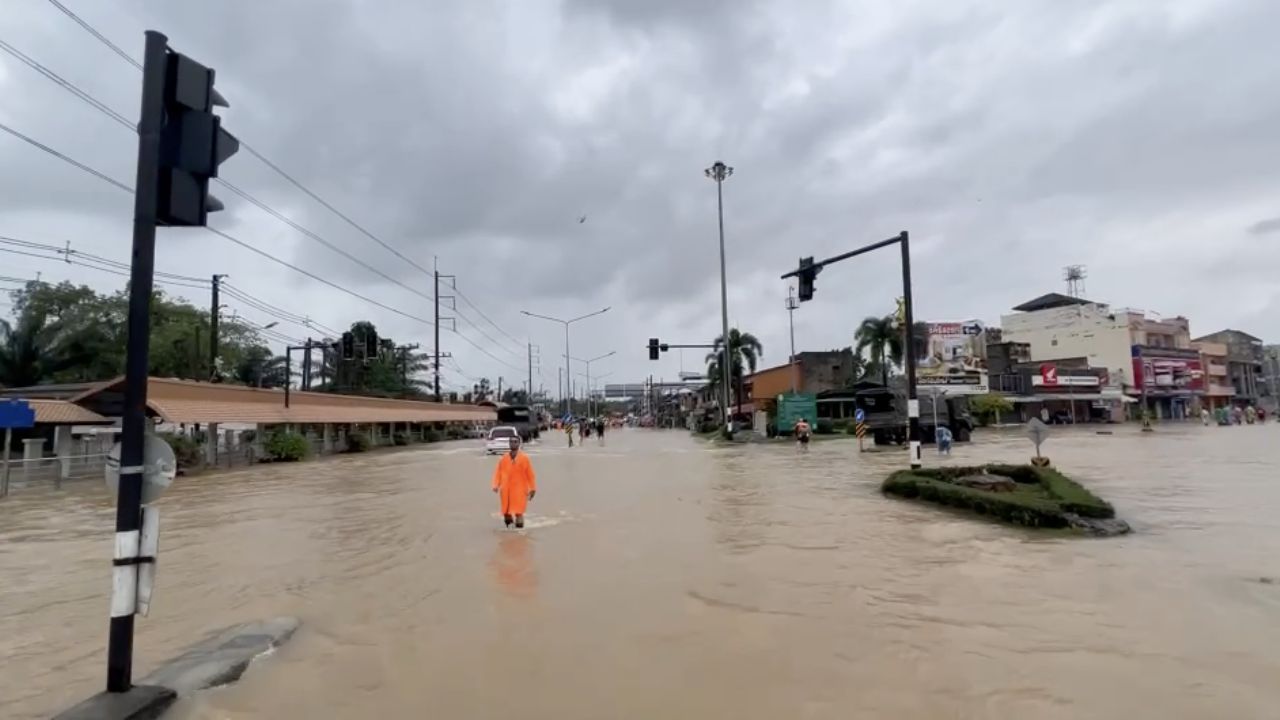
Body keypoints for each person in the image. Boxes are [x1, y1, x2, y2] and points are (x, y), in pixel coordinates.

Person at [492, 436, 536, 529]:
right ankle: (510, 533)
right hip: (505, 491)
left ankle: (520, 533)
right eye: (511, 442)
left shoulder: (524, 458)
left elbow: (530, 475)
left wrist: (533, 489)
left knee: (518, 513)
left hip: (519, 490)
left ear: (519, 444)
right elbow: (498, 472)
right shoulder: (504, 458)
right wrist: (496, 485)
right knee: (506, 513)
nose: (513, 443)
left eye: (515, 442)